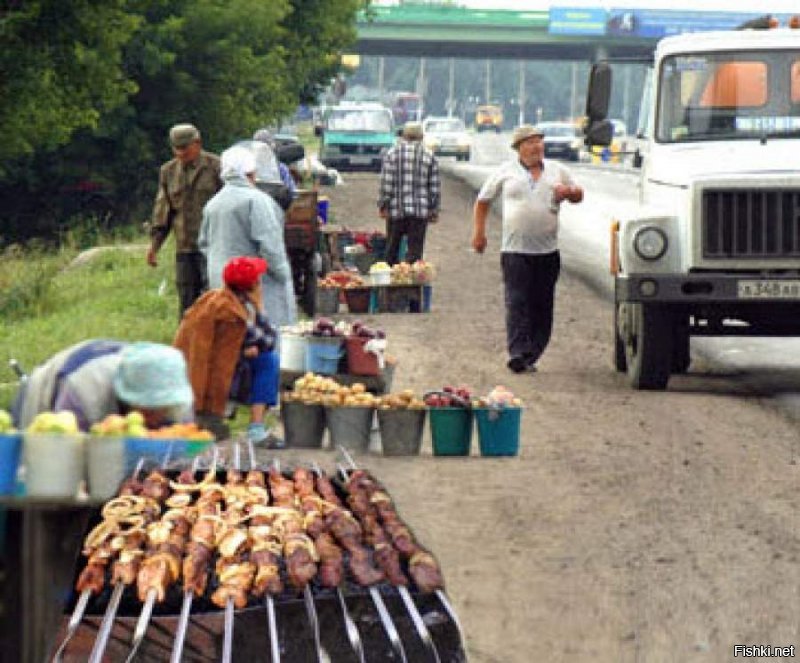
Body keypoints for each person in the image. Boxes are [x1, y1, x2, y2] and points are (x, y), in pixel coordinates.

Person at [472, 124, 584, 374]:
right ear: (519, 148)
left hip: (547, 251)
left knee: (542, 304)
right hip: (514, 250)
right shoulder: (506, 171)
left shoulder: (557, 171)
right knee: (516, 301)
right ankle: (517, 352)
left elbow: (579, 194)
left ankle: (532, 353)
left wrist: (569, 193)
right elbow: (483, 201)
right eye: (531, 143)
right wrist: (479, 233)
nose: (537, 147)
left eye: (539, 142)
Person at [174, 256, 284, 447]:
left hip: (192, 371)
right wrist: (259, 306)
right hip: (214, 380)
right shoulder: (234, 314)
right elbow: (270, 341)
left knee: (260, 354)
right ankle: (256, 429)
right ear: (252, 286)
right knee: (269, 360)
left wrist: (244, 348)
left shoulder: (213, 297)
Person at [199, 144, 297, 328]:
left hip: (220, 282)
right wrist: (283, 276)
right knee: (259, 336)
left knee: (229, 334)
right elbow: (270, 245)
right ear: (250, 172)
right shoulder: (257, 200)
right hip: (252, 285)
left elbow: (204, 244)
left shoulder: (213, 204)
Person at [15, 340, 194, 432]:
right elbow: (66, 452)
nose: (155, 419)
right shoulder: (84, 393)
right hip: (42, 398)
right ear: (126, 395)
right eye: (148, 410)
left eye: (162, 409)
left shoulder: (177, 400)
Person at [147, 123, 223, 318]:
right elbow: (163, 211)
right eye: (176, 149)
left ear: (197, 143)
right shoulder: (168, 172)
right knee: (187, 305)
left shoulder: (216, 166)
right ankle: (187, 345)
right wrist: (154, 246)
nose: (180, 153)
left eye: (185, 148)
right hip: (185, 248)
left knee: (213, 298)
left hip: (213, 246)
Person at [378, 121, 440, 265]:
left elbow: (386, 184)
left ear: (404, 136)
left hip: (395, 211)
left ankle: (391, 282)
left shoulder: (392, 153)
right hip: (419, 212)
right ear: (421, 137)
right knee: (415, 253)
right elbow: (434, 188)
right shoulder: (429, 156)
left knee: (392, 250)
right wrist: (433, 210)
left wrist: (383, 205)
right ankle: (411, 283)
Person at [253, 128, 298, 202]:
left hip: (276, 208)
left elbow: (292, 192)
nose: (263, 152)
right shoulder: (249, 168)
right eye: (260, 149)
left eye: (266, 149)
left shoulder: (280, 168)